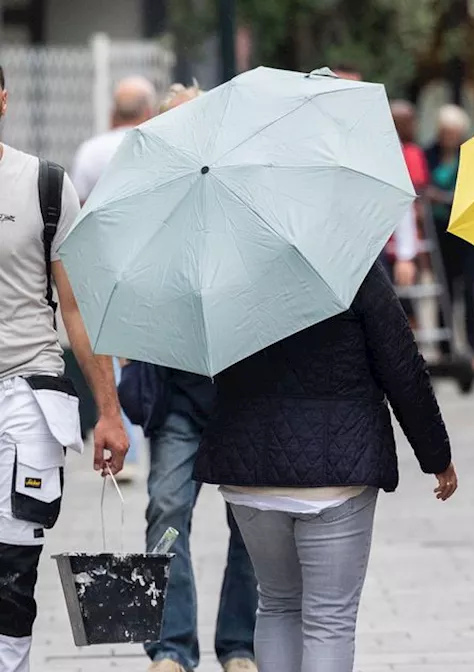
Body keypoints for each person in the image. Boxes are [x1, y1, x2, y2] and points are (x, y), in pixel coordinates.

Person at [196, 264, 456, 672]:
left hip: (250, 470)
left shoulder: (232, 267)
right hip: (338, 471)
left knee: (277, 603)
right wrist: (436, 455)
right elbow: (401, 365)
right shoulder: (353, 265)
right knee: (329, 621)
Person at [120, 83, 261, 672]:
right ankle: (172, 646)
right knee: (166, 511)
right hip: (177, 395)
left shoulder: (244, 200)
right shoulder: (146, 204)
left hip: (244, 394)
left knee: (253, 527)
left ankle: (239, 645)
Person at [0, 63, 131, 672]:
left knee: (11, 567)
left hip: (25, 393)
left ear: (3, 99)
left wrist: (109, 410)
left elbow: (77, 308)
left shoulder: (43, 185)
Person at [67, 75, 157, 483]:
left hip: (102, 262)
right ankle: (151, 436)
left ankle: (125, 440)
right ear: (148, 111)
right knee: (143, 351)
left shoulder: (89, 151)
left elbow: (77, 211)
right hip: (149, 259)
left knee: (113, 353)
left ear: (111, 112)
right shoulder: (153, 144)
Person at [426, 104, 474, 376]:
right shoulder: (430, 154)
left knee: (469, 290)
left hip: (466, 229)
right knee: (444, 289)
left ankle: (472, 350)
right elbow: (422, 186)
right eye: (445, 131)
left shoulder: (471, 154)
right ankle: (445, 350)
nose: (449, 136)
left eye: (454, 132)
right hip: (439, 229)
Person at [386, 100, 427, 325]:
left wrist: (406, 253)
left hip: (401, 240)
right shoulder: (393, 152)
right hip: (386, 242)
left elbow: (409, 197)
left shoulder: (410, 153)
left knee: (406, 303)